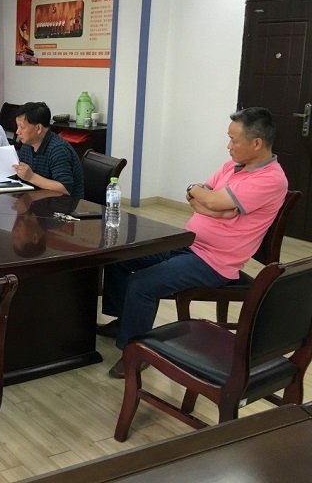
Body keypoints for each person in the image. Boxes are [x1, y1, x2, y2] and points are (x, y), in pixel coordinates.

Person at [98, 107, 288, 378]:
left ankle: (135, 352)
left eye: (233, 140)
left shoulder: (270, 179)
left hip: (214, 261)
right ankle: (124, 322)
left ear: (257, 143)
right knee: (119, 256)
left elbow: (210, 199)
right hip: (188, 242)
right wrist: (208, 201)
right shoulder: (232, 166)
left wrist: (210, 202)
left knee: (142, 284)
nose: (228, 146)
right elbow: (198, 194)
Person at [12, 102, 84, 198]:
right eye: (17, 126)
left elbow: (65, 189)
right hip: (37, 200)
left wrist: (31, 177)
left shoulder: (58, 150)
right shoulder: (27, 145)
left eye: (22, 127)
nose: (17, 132)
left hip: (64, 204)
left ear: (38, 128)